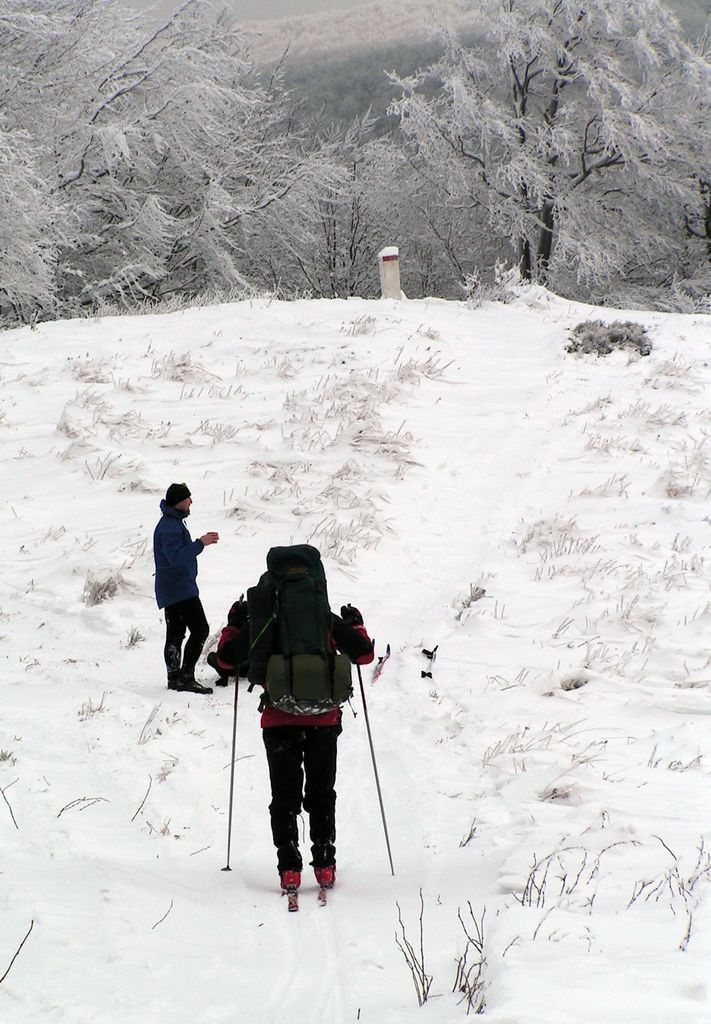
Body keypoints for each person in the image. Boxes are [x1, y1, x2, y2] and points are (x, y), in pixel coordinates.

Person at [248, 556, 374, 895]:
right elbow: (363, 655)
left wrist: (235, 623)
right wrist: (356, 624)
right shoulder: (325, 619)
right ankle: (324, 864)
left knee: (283, 797)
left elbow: (232, 658)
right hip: (323, 721)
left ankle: (289, 868)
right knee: (321, 793)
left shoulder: (266, 619)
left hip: (277, 721)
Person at [153, 482, 219, 695]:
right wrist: (200, 543)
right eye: (188, 498)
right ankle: (186, 677)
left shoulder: (170, 523)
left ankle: (175, 678)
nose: (191, 502)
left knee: (176, 633)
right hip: (180, 588)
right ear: (179, 502)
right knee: (200, 629)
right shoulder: (170, 527)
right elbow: (177, 558)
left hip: (172, 588)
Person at [206, 597, 250, 686]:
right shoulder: (247, 631)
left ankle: (224, 674)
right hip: (244, 669)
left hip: (226, 668)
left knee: (211, 657)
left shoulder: (228, 631)